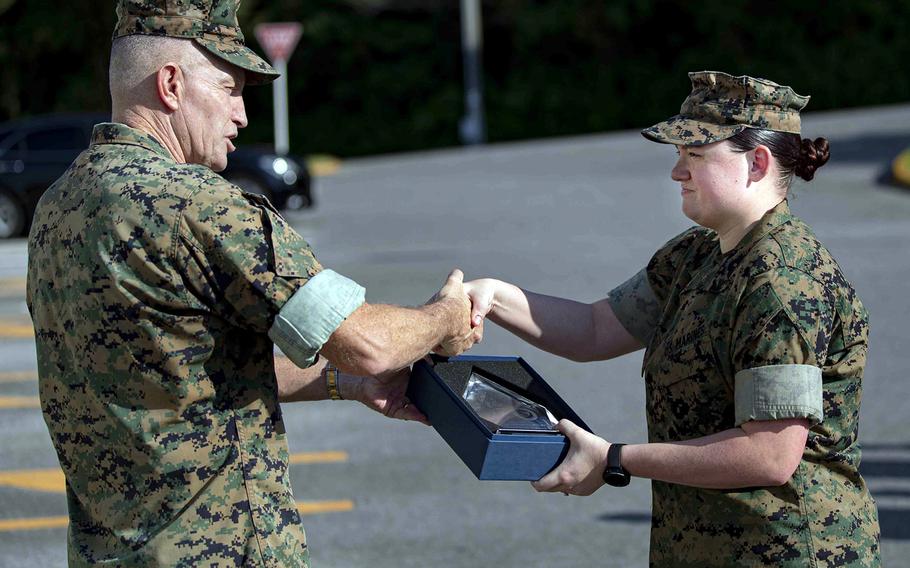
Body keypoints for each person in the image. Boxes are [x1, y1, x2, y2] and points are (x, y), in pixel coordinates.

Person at [25, 1, 478, 566]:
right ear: (170, 85)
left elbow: (181, 371)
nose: (240, 115)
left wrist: (348, 385)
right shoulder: (194, 203)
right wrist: (445, 318)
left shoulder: (59, 206)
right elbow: (369, 344)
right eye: (229, 88)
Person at [464, 71, 881, 566]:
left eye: (696, 155)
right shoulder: (697, 255)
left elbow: (768, 455)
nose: (676, 172)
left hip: (787, 550)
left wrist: (614, 458)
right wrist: (493, 296)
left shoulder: (782, 282)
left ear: (758, 162)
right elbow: (597, 329)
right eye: (679, 155)